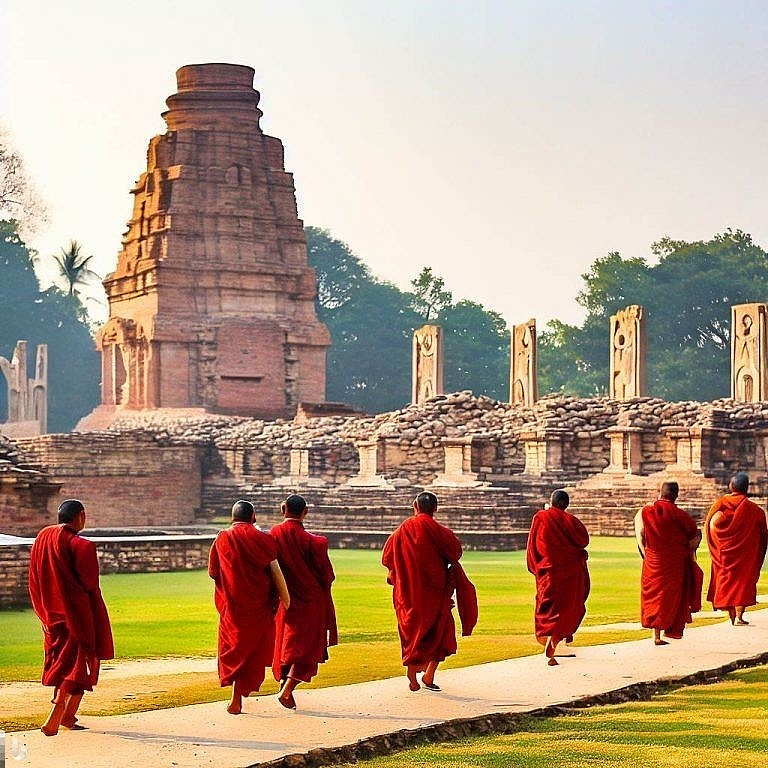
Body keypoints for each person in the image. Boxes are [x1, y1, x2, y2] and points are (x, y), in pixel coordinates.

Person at [28, 499, 114, 736]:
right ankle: (58, 709)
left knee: (65, 663)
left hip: (50, 614)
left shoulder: (43, 538)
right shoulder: (82, 545)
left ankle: (68, 715)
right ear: (81, 516)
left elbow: (35, 577)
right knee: (78, 664)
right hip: (77, 614)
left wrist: (43, 611)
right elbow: (89, 583)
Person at [382, 491, 477, 692]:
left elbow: (387, 559)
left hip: (407, 595)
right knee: (441, 634)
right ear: (435, 509)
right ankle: (429, 674)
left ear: (414, 506)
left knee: (411, 634)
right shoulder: (440, 532)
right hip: (435, 595)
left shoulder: (401, 531)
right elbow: (455, 552)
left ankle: (416, 672)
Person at [209, 499, 290, 714]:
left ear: (232, 518)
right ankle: (237, 697)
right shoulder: (263, 539)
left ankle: (235, 698)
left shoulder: (221, 538)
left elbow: (214, 573)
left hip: (232, 607)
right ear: (253, 517)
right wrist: (284, 598)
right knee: (251, 650)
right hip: (258, 605)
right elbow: (275, 570)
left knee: (234, 649)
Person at [270, 494, 337, 709]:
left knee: (288, 642)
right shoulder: (315, 543)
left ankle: (285, 687)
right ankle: (287, 688)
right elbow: (327, 575)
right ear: (305, 512)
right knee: (306, 647)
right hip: (310, 601)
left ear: (283, 510)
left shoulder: (272, 536)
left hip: (284, 599)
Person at [634, 481, 703, 645]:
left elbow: (642, 534)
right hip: (674, 564)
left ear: (660, 492)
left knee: (654, 598)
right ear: (676, 495)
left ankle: (656, 635)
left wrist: (647, 553)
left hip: (653, 561)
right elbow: (695, 536)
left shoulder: (647, 512)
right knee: (671, 598)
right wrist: (690, 553)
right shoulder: (681, 516)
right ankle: (666, 630)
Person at [526, 489, 589, 666]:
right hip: (568, 572)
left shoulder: (541, 518)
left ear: (551, 502)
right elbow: (583, 541)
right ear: (566, 505)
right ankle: (553, 642)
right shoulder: (571, 522)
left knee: (547, 608)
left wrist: (535, 567)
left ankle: (549, 642)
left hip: (547, 571)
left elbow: (532, 546)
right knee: (568, 608)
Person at [705, 472, 768, 625]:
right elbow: (763, 537)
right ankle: (739, 616)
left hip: (724, 555)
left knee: (727, 581)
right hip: (746, 556)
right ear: (747, 488)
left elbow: (709, 527)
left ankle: (732, 614)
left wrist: (717, 547)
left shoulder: (719, 504)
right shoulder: (757, 511)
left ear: (730, 486)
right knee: (743, 583)